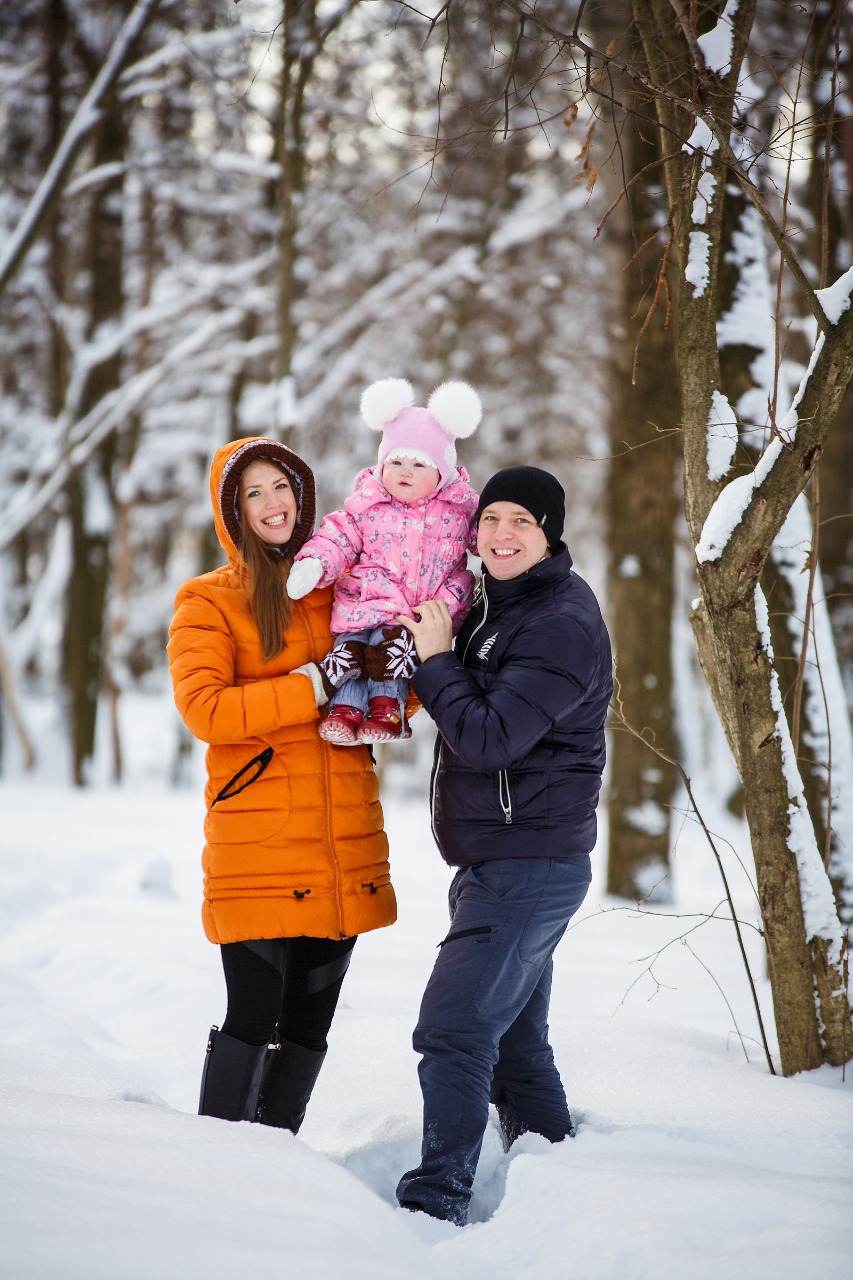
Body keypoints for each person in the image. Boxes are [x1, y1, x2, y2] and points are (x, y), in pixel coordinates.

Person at [393, 465, 613, 1226]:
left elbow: (489, 738)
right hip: (511, 857)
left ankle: (434, 1204)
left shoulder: (557, 620)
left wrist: (434, 661)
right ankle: (558, 1179)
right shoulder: (505, 605)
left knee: (453, 1029)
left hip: (529, 863)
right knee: (513, 1046)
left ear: (550, 532)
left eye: (521, 520)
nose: (501, 535)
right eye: (489, 520)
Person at [168, 436, 396, 1134]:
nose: (273, 504)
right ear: (231, 510)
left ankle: (276, 1169)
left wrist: (399, 665)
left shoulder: (342, 587)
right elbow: (206, 710)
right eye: (254, 492)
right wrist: (312, 684)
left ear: (304, 497)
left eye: (283, 488)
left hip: (341, 846)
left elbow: (393, 693)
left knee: (307, 1027)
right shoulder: (207, 600)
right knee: (252, 1018)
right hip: (259, 846)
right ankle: (220, 1168)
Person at [285, 377, 480, 745]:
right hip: (366, 604)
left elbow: (483, 538)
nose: (406, 471)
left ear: (443, 472)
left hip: (415, 617)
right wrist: (315, 564)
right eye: (397, 461)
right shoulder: (368, 503)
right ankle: (344, 710)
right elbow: (338, 535)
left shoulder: (458, 511)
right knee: (353, 654)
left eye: (419, 464)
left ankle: (385, 709)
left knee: (389, 654)